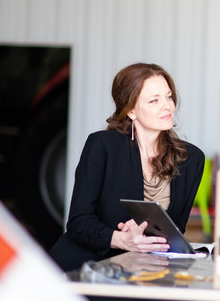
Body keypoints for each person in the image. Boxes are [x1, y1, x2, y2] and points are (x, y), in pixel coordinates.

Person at [50, 63, 205, 272]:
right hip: (85, 267)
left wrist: (151, 235)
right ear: (131, 110)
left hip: (143, 271)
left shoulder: (190, 158)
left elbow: (175, 231)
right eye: (154, 100)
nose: (167, 106)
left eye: (168, 97)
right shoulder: (102, 146)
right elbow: (78, 222)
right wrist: (121, 239)